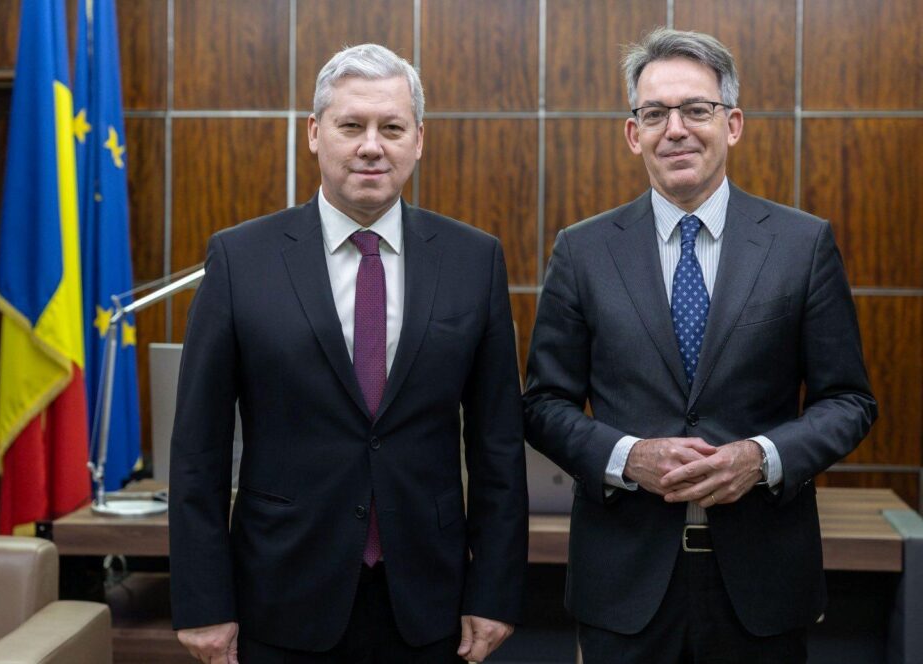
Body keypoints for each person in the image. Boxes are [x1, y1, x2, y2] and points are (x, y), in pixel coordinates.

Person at [523, 28, 876, 663]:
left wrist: (761, 458)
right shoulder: (582, 251)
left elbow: (849, 401)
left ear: (732, 124)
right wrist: (627, 457)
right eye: (654, 113)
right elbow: (543, 404)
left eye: (696, 109)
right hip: (624, 588)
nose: (675, 129)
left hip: (763, 586)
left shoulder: (802, 245)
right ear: (633, 134)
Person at [169, 43, 527, 664]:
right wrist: (203, 602)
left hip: (429, 599)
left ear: (419, 139)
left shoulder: (474, 260)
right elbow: (198, 449)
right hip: (280, 593)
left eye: (392, 128)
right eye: (351, 125)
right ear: (314, 133)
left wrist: (495, 590)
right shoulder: (240, 260)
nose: (371, 146)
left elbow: (497, 444)